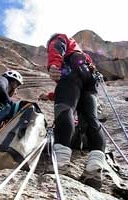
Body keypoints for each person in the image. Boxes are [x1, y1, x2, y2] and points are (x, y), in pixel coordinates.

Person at [46, 33, 106, 190]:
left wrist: (54, 64)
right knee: (91, 119)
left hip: (71, 73)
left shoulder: (61, 37)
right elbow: (77, 92)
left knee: (65, 111)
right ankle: (94, 170)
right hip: (89, 80)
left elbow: (58, 46)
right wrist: (51, 95)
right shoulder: (85, 58)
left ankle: (60, 164)